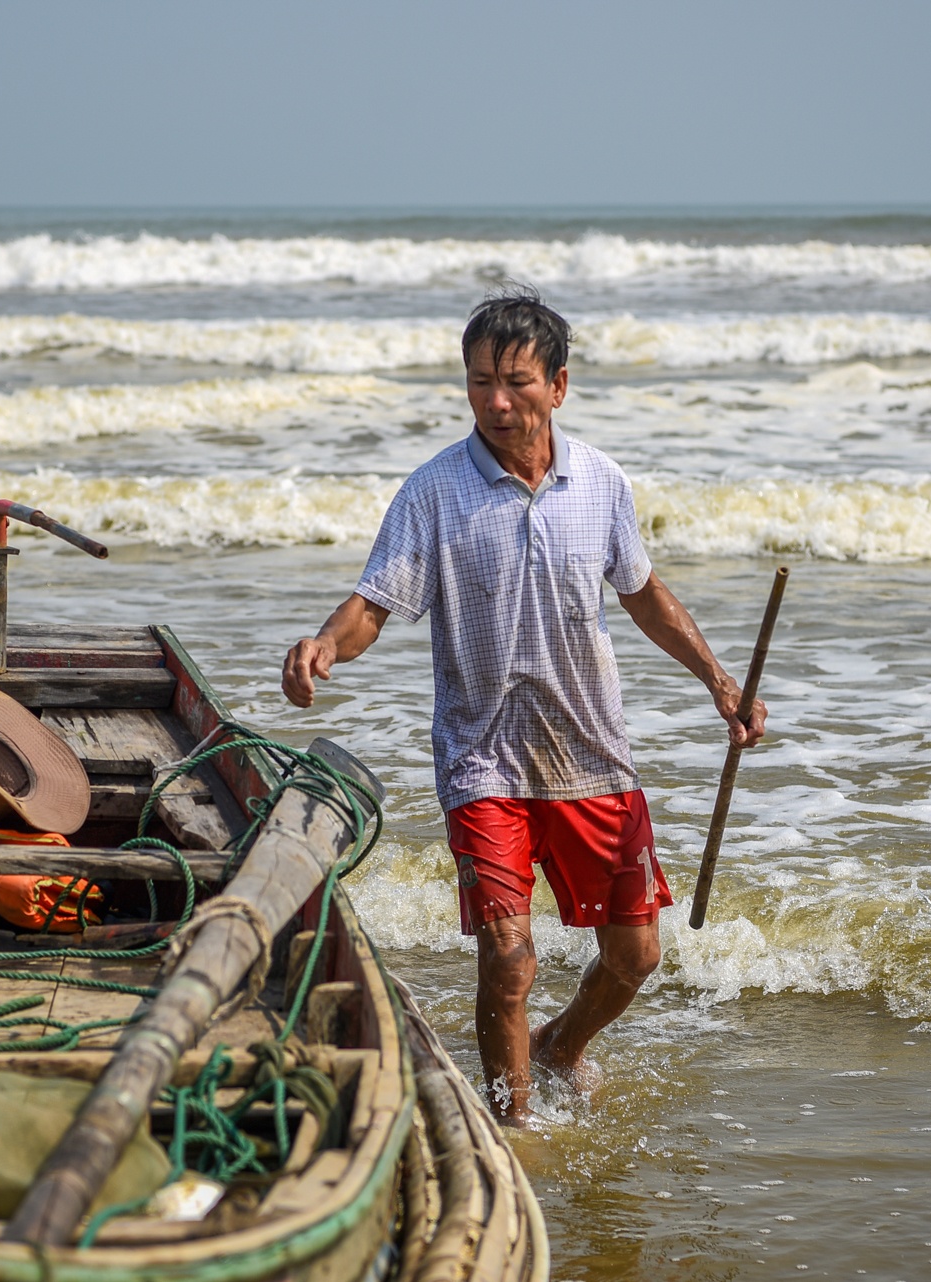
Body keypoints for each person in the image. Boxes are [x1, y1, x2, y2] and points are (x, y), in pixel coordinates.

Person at [280, 288, 766, 1126]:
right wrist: (325, 644)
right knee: (507, 957)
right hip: (483, 761)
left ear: (559, 385)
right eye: (478, 384)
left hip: (592, 756)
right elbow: (374, 603)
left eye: (515, 382)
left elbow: (644, 595)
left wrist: (719, 682)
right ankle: (511, 1126)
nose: (496, 402)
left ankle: (560, 1047)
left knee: (635, 955)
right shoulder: (433, 493)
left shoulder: (601, 481)